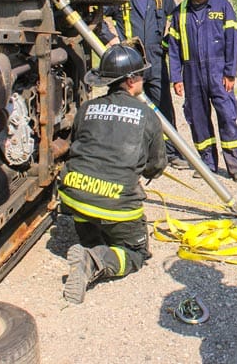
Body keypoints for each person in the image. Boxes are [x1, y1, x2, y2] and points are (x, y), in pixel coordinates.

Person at [59, 44, 166, 304]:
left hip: (75, 200)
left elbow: (77, 147)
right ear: (130, 81)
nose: (143, 78)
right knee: (135, 253)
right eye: (140, 74)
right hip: (115, 206)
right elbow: (156, 166)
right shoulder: (148, 117)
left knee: (97, 229)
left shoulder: (87, 108)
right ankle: (94, 262)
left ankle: (92, 243)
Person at [100, 0, 186, 167]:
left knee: (163, 107)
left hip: (156, 61)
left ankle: (170, 153)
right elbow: (95, 17)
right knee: (126, 107)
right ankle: (128, 153)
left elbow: (179, 21)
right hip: (130, 62)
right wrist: (110, 40)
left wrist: (167, 44)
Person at [167, 0, 237, 183]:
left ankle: (236, 167)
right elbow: (173, 48)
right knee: (198, 120)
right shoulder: (179, 12)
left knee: (227, 118)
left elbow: (232, 42)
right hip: (191, 74)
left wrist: (230, 73)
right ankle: (208, 163)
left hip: (218, 71)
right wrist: (176, 77)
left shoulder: (222, 7)